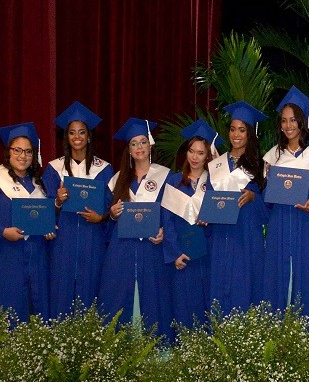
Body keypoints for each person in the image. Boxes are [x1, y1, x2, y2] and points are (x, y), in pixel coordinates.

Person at [0, 122, 54, 319]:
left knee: (35, 309)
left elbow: (47, 217)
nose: (22, 156)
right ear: (8, 152)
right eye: (17, 150)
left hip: (36, 257)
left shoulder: (38, 184)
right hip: (5, 257)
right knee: (6, 307)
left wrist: (50, 229)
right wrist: (2, 231)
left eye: (28, 152)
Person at [99, 118, 172, 336]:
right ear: (128, 150)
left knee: (155, 295)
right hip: (122, 249)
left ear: (150, 145)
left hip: (152, 248)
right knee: (119, 294)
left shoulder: (167, 176)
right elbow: (106, 221)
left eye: (142, 142)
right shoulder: (116, 181)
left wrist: (164, 232)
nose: (139, 147)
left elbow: (171, 214)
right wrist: (111, 215)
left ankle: (156, 349)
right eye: (134, 143)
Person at [262, 86, 309, 316]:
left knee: (307, 276)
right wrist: (268, 180)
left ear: (302, 121)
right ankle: (277, 332)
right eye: (284, 121)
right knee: (276, 276)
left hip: (305, 223)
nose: (288, 125)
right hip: (279, 223)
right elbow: (267, 201)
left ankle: (307, 335)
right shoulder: (273, 157)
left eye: (293, 120)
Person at [43, 101, 114, 314]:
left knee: (92, 286)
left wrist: (100, 218)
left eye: (82, 132)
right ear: (67, 137)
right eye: (72, 132)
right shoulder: (54, 169)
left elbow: (111, 208)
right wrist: (57, 201)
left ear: (89, 136)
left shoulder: (104, 169)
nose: (77, 137)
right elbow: (45, 209)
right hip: (63, 238)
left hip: (92, 237)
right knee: (60, 287)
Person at [207, 101, 269, 314]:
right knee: (219, 282)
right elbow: (208, 200)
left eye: (242, 130)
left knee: (246, 283)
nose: (236, 134)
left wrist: (253, 196)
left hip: (247, 236)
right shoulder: (216, 165)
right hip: (220, 235)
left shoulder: (261, 166)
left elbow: (268, 210)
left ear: (250, 133)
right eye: (233, 129)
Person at [161, 120, 217, 333]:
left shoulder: (213, 184)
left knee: (208, 305)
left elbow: (220, 219)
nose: (195, 157)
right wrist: (174, 253)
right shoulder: (174, 182)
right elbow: (166, 221)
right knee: (183, 306)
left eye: (201, 153)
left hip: (208, 254)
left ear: (208, 156)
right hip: (182, 255)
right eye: (191, 151)